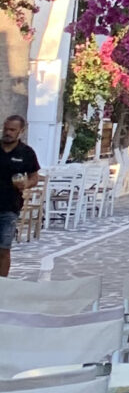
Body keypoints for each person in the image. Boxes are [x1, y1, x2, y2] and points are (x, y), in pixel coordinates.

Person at [0, 113, 41, 275]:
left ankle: (3, 284)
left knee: (4, 249)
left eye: (12, 130)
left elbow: (34, 177)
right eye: (5, 128)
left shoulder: (26, 153)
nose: (7, 132)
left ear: (21, 131)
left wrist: (26, 184)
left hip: (10, 207)